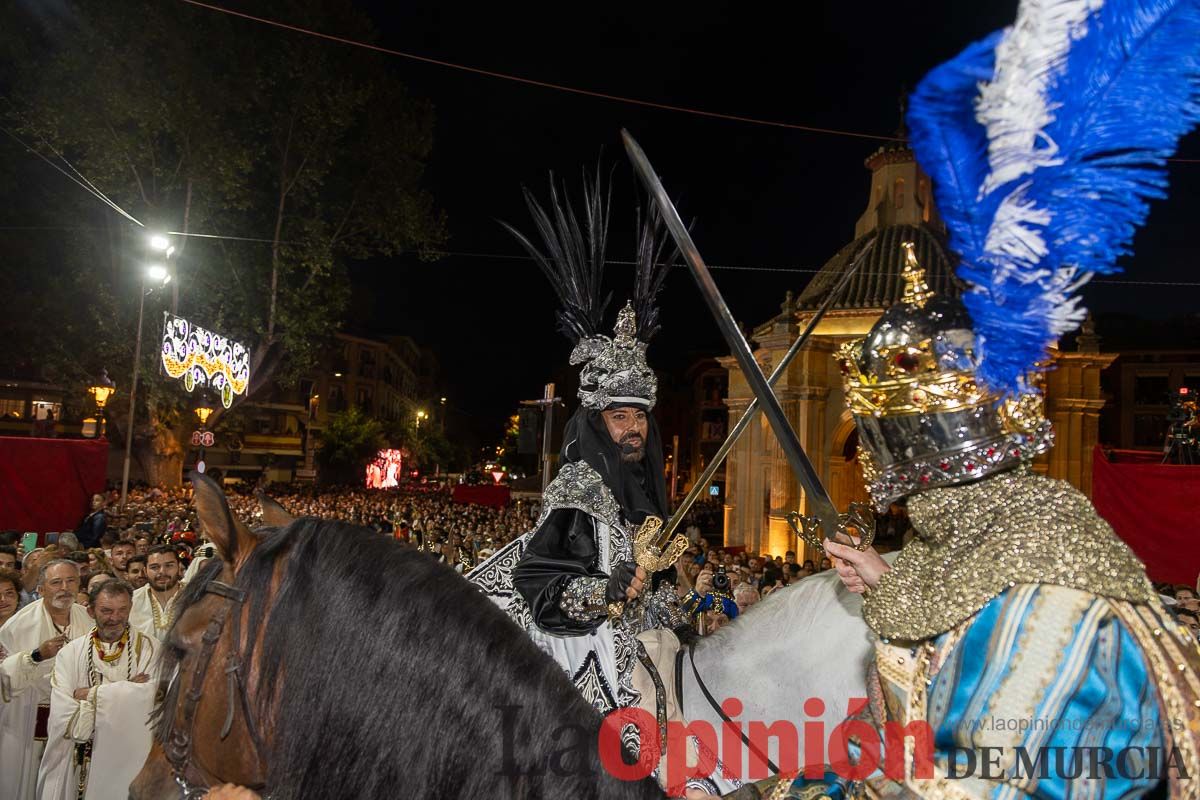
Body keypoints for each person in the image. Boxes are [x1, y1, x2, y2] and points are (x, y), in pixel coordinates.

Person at [37, 580, 160, 800]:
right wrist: (129, 690)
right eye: (106, 611)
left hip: (133, 756)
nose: (115, 618)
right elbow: (64, 712)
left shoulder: (151, 649)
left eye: (122, 610)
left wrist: (92, 695)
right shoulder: (71, 653)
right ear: (91, 610)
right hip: (83, 757)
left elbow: (155, 698)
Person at [0, 559, 92, 800]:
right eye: (56, 582)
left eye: (71, 581)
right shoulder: (17, 626)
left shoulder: (89, 620)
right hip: (30, 718)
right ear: (40, 589)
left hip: (74, 718)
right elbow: (5, 681)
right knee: (27, 782)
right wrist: (36, 655)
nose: (65, 587)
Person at [129, 545, 183, 640]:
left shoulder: (196, 598)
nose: (162, 572)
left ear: (179, 568)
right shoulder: (131, 601)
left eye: (169, 565)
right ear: (145, 571)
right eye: (154, 567)